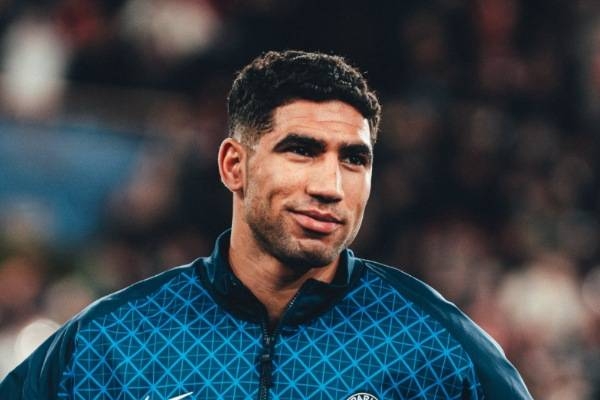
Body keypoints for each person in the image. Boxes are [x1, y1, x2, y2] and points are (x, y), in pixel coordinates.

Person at [0, 50, 532, 400]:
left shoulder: (436, 345)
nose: (331, 185)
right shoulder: (112, 340)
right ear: (235, 165)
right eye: (302, 150)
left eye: (354, 159)